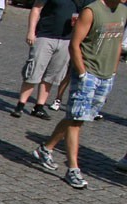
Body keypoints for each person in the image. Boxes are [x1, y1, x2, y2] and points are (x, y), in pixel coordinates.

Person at [31, 0, 127, 189]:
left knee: (77, 118)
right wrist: (82, 73)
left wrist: (114, 71)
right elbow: (74, 44)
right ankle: (73, 169)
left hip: (106, 76)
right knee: (76, 120)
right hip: (88, 73)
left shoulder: (122, 11)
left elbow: (117, 44)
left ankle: (46, 148)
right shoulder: (92, 11)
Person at [11, 0, 79, 119]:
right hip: (45, 35)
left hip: (66, 39)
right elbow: (36, 8)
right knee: (33, 72)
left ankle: (39, 107)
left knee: (51, 75)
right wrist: (31, 31)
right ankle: (20, 105)